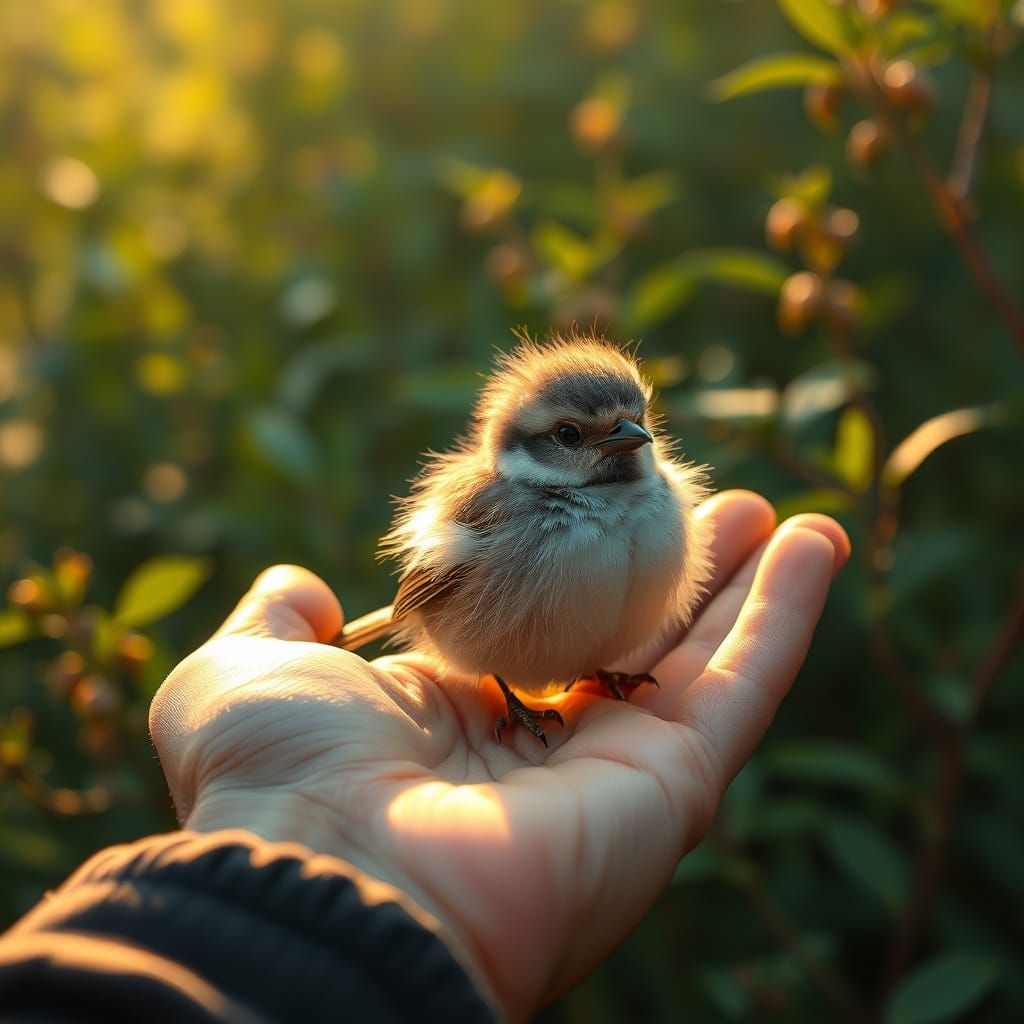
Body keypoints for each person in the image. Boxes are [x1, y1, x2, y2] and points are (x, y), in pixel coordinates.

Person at [0, 491, 849, 1022]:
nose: (622, 443)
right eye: (574, 436)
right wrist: (509, 697)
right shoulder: (509, 507)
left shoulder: (655, 503)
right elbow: (433, 590)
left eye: (634, 424)